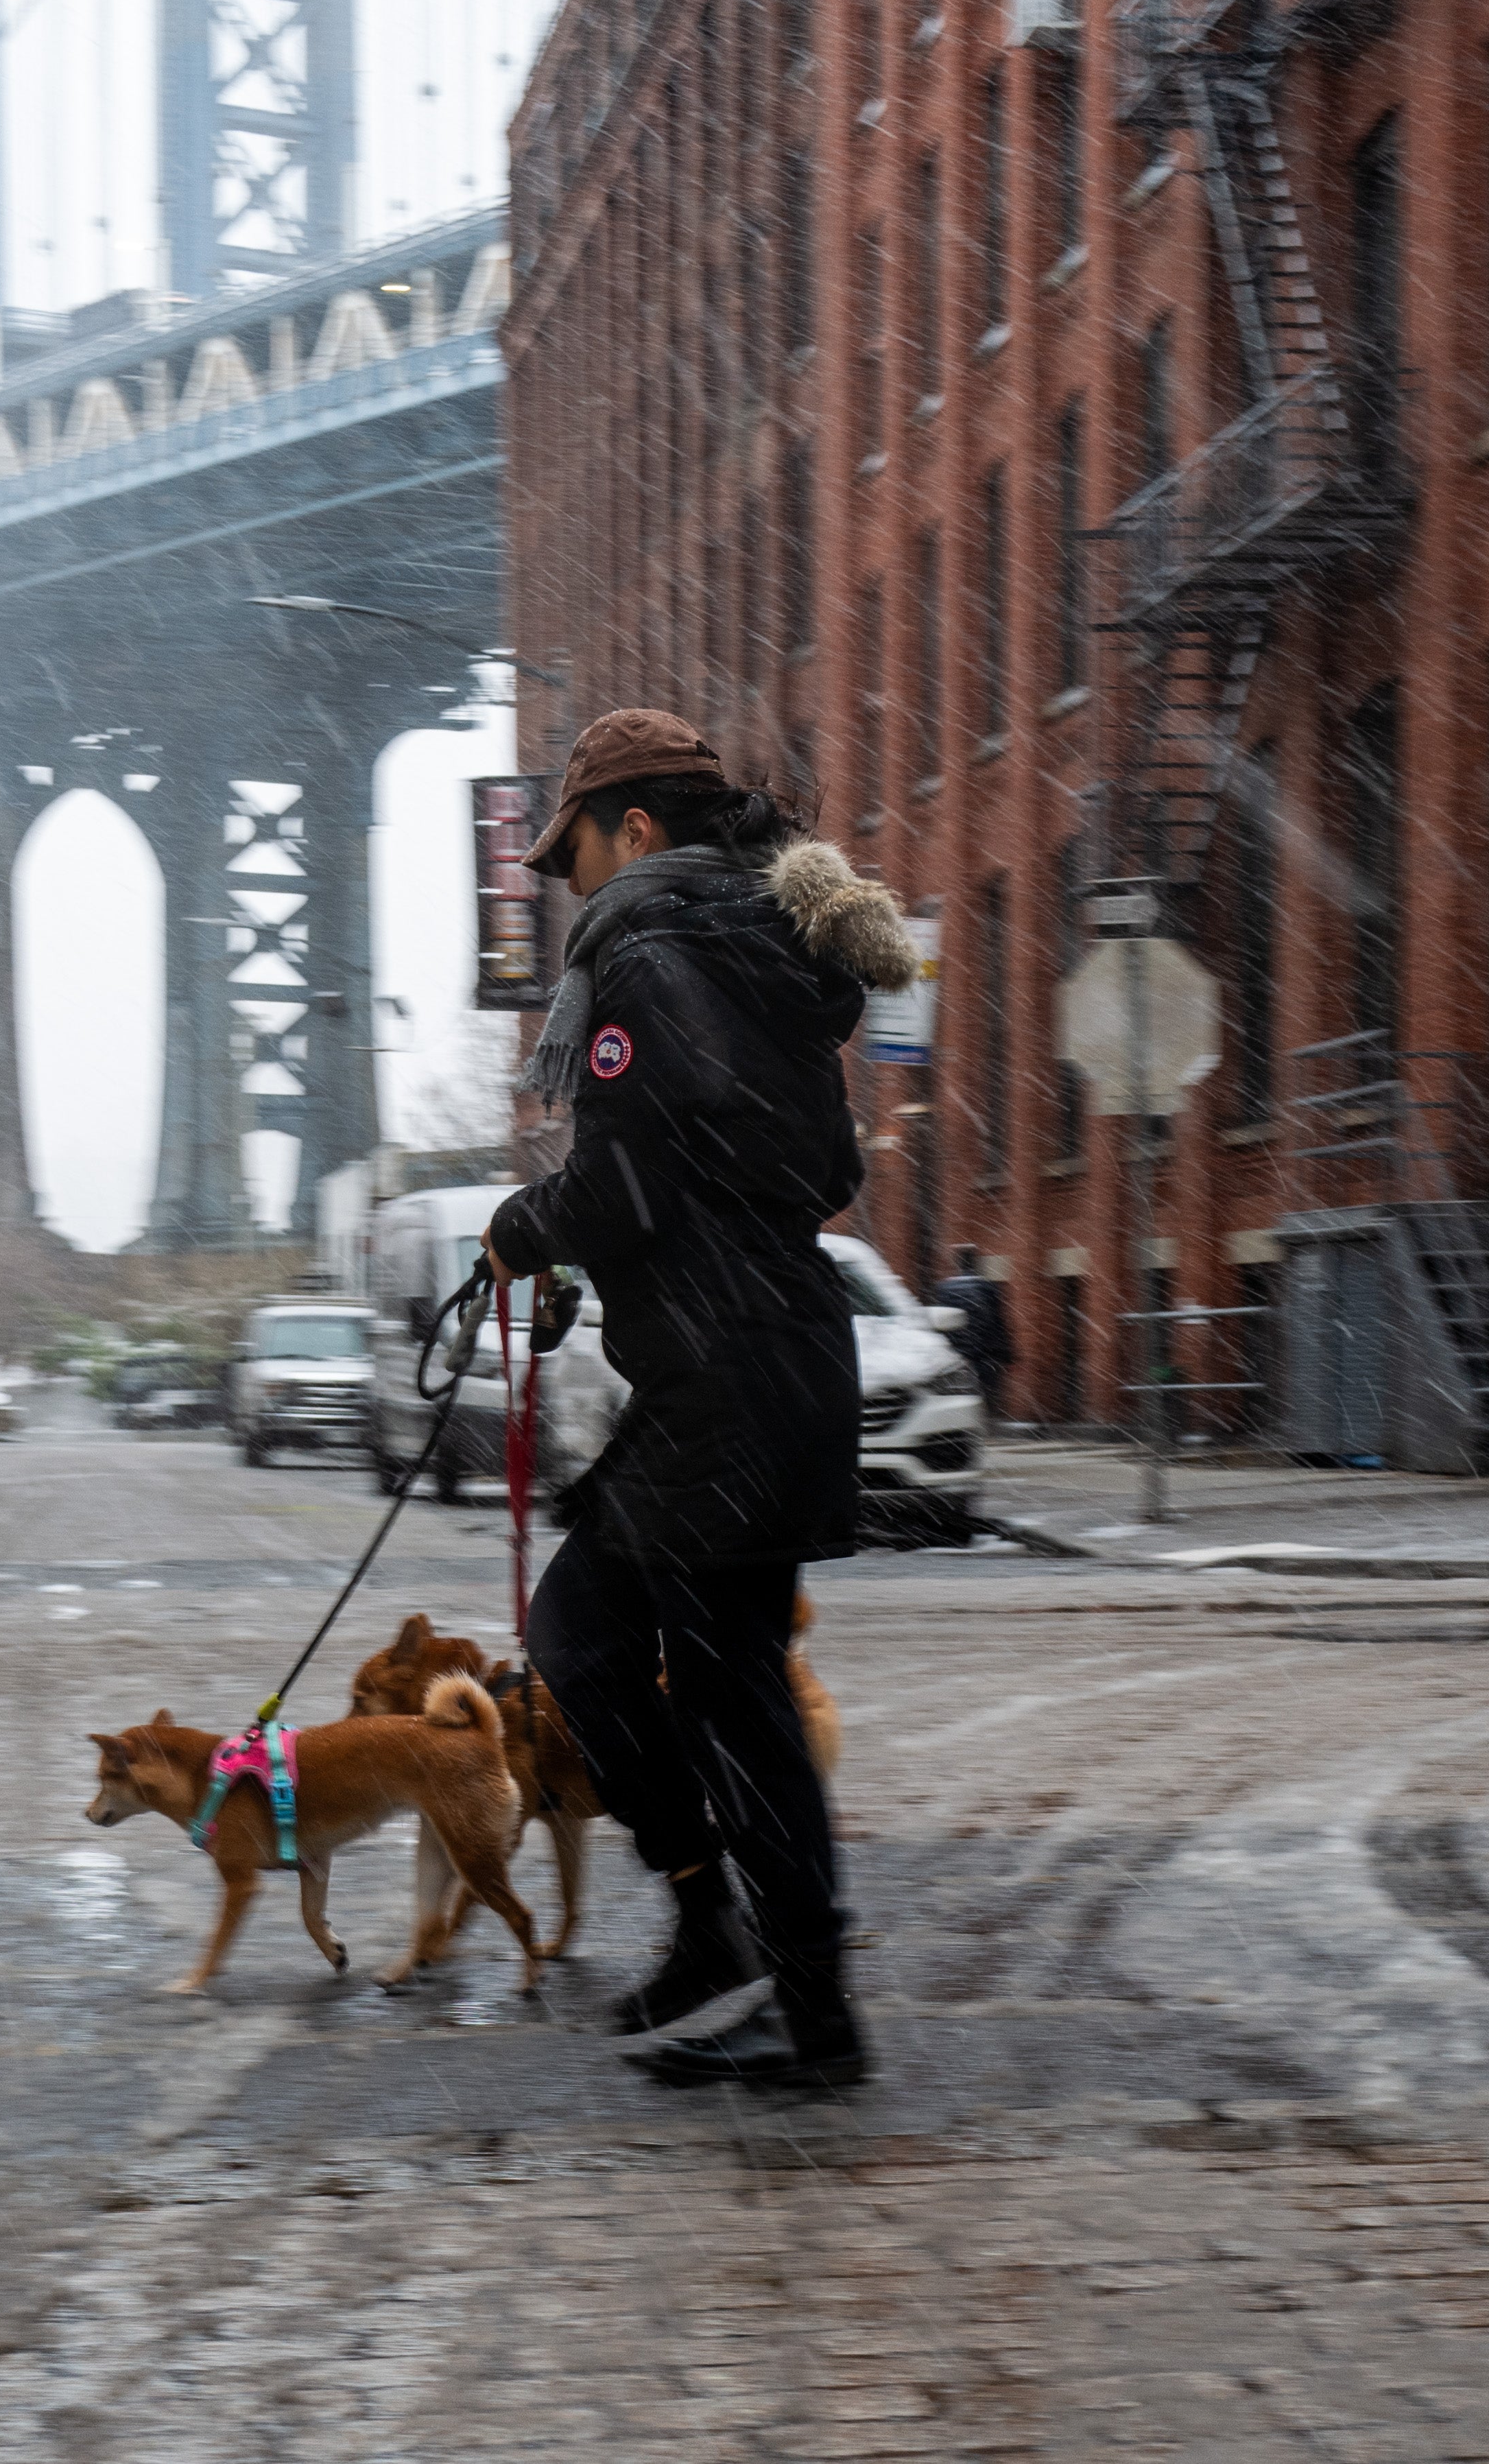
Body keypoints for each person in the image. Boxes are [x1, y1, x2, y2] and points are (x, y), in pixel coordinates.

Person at [480, 707, 916, 2092]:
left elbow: (630, 1180)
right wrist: (584, 1237)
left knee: (729, 1703)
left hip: (732, 1376)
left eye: (581, 854)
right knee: (590, 1639)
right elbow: (768, 1163)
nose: (576, 886)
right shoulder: (747, 949)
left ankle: (805, 2001)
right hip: (749, 1362)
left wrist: (525, 1225)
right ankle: (716, 1925)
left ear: (641, 831)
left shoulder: (657, 953)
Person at [932, 1244, 1019, 1407]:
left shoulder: (945, 1289)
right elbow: (998, 1322)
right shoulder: (988, 1288)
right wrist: (1008, 1356)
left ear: (958, 1264)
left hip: (956, 1357)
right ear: (976, 1265)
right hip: (985, 1356)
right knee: (985, 1401)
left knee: (957, 1402)